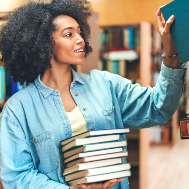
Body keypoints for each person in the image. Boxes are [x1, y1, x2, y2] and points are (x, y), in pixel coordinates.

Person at [0, 0, 186, 189]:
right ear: (44, 43)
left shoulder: (105, 84)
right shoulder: (18, 109)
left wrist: (171, 55)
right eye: (69, 34)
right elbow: (16, 177)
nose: (80, 39)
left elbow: (158, 107)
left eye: (79, 32)